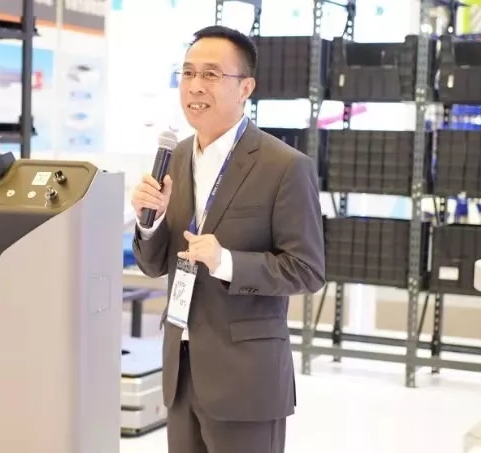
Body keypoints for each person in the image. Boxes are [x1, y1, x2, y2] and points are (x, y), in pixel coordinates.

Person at [130, 25, 325, 453]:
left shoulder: (284, 166)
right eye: (187, 73)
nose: (195, 86)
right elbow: (154, 263)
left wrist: (227, 262)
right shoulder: (176, 156)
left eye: (212, 74)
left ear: (245, 88)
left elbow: (307, 270)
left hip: (245, 379)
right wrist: (149, 224)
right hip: (180, 371)